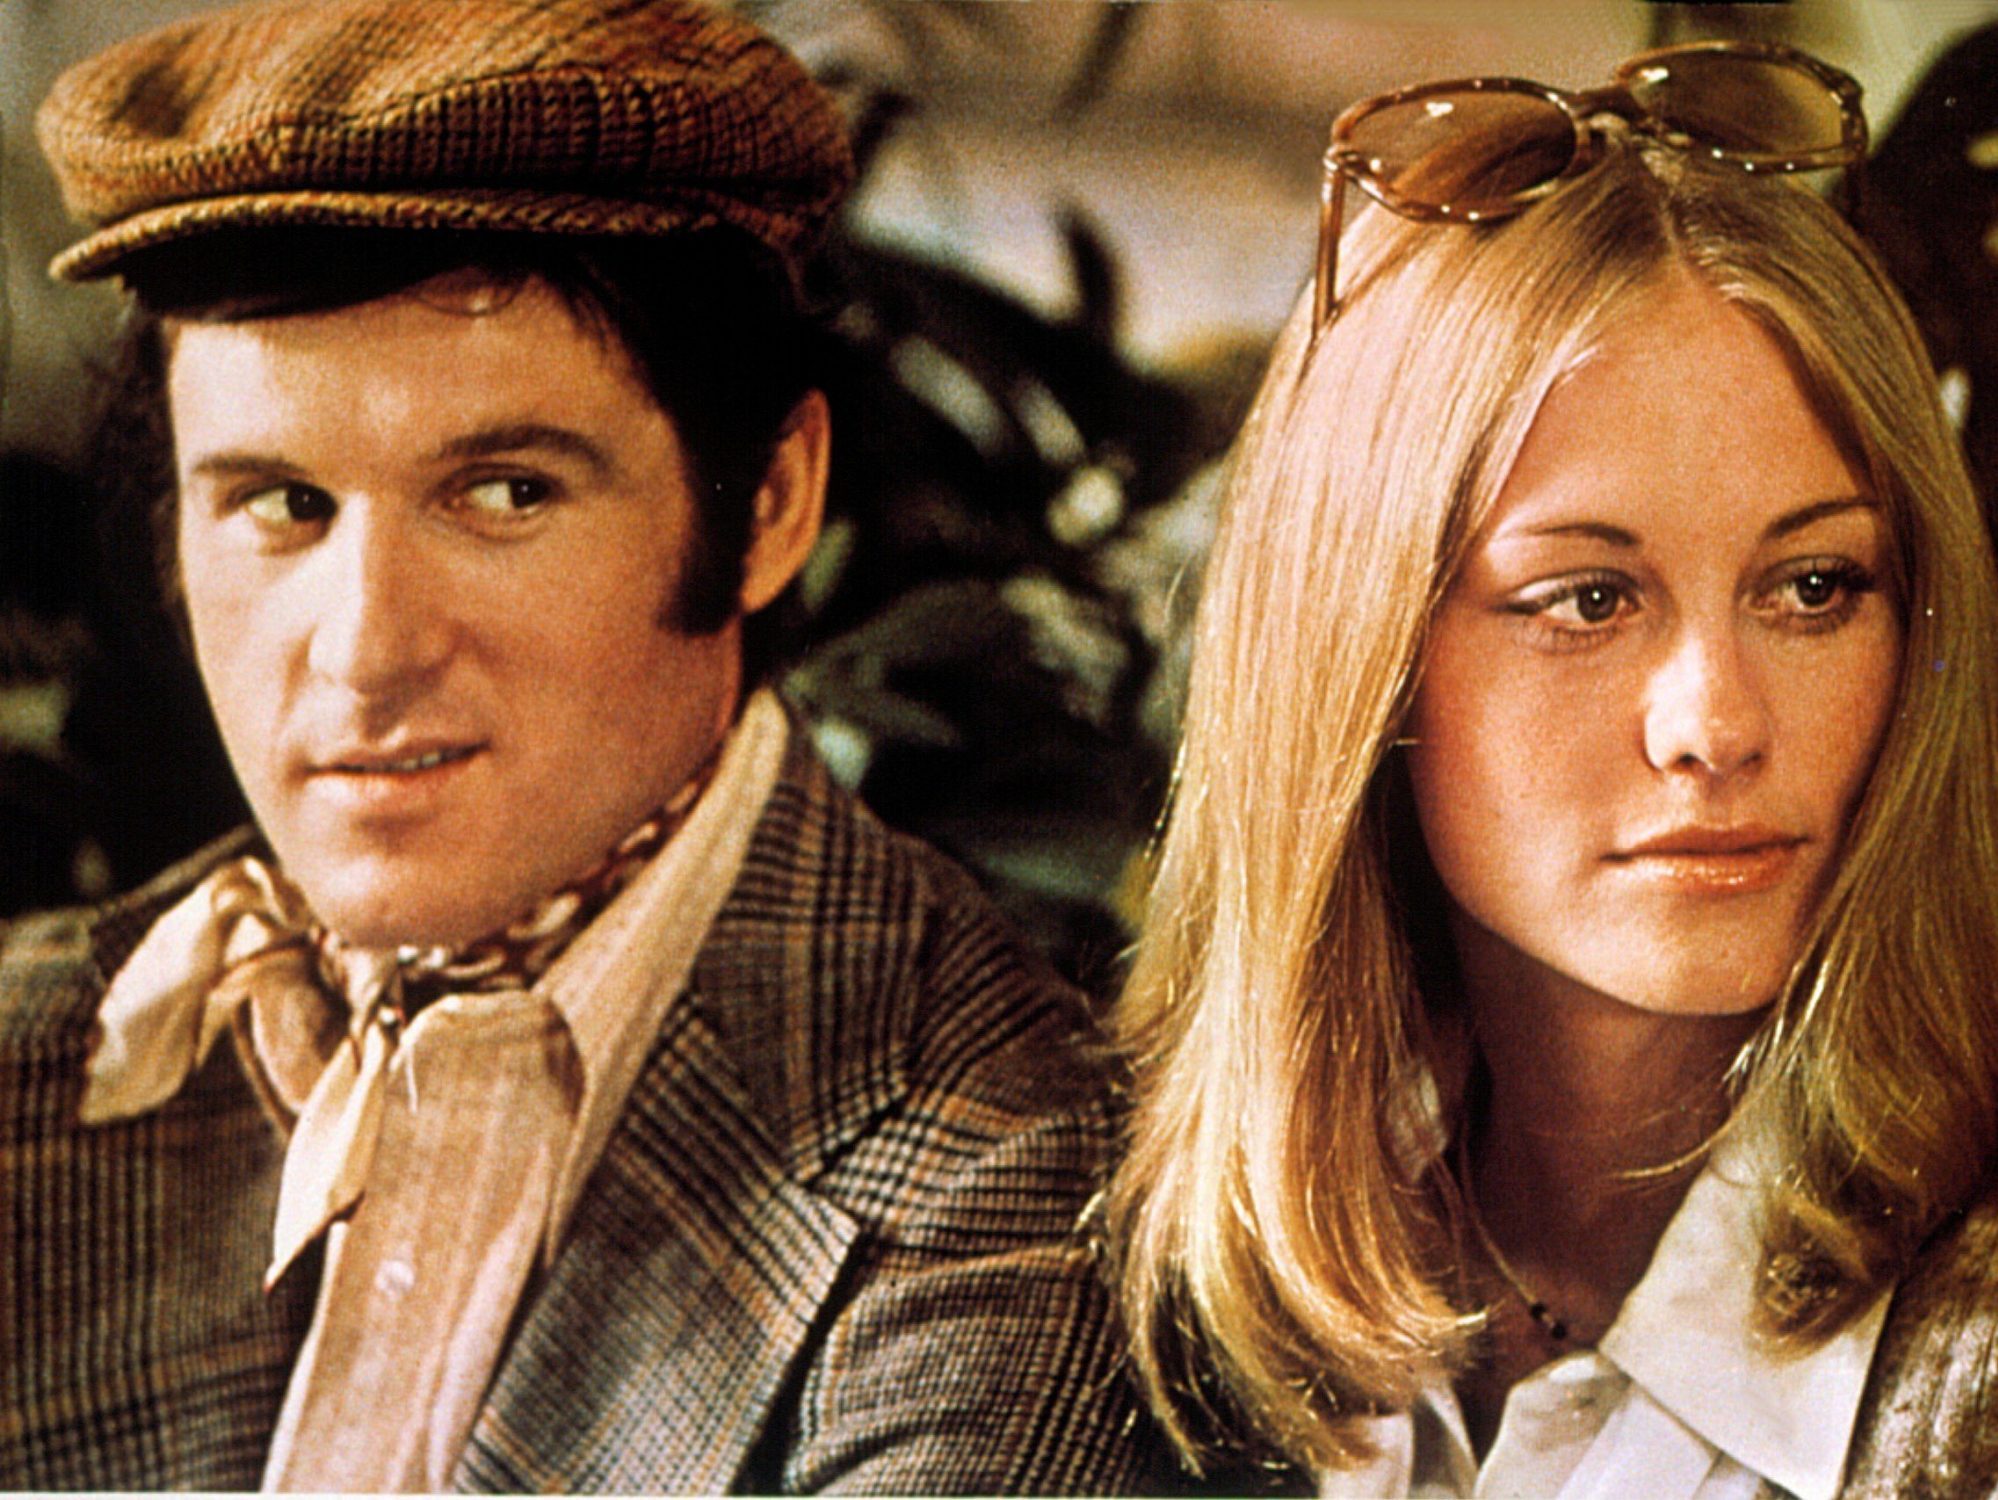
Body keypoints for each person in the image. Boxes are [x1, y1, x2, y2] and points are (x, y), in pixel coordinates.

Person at [0, 1, 1162, 1491]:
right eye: (280, 504)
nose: (363, 648)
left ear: (768, 505)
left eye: (505, 494)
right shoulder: (38, 1048)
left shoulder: (1010, 1175)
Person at [1105, 41, 1998, 1499]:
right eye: (1587, 599)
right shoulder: (1156, 1255)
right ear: (1359, 656)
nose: (1714, 725)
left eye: (1814, 588)